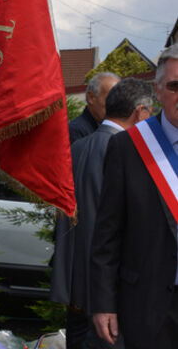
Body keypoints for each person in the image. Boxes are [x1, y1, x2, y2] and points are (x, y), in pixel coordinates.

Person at [51, 78, 154, 348]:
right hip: (109, 291)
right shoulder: (127, 151)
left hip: (76, 282)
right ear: (140, 112)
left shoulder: (77, 147)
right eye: (151, 114)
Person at [90, 44, 178, 349]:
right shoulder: (128, 148)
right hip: (148, 304)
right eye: (174, 86)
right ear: (157, 90)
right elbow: (107, 234)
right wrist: (103, 303)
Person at [69, 72, 120, 143]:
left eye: (119, 100)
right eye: (110, 99)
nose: (115, 105)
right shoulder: (75, 131)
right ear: (91, 97)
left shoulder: (118, 128)